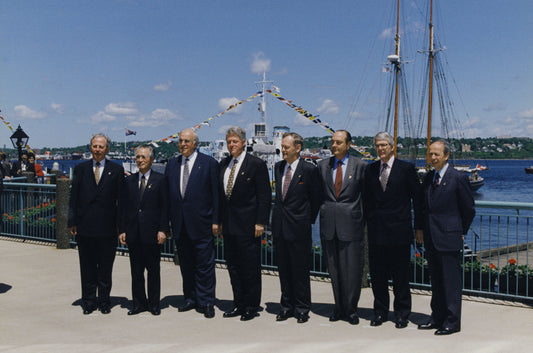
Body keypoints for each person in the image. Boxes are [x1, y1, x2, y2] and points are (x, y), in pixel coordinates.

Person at [363, 131, 423, 328]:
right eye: (377, 145)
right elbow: (366, 201)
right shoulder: (370, 170)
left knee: (400, 278)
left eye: (384, 145)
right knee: (378, 277)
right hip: (376, 232)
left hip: (399, 233)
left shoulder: (406, 169)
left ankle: (401, 314)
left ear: (392, 146)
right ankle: (380, 312)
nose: (380, 149)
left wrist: (419, 228)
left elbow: (419, 200)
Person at [417, 140, 475, 335]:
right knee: (436, 282)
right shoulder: (428, 178)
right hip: (432, 238)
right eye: (430, 154)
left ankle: (452, 321)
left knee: (451, 283)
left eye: (436, 154)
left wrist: (459, 231)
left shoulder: (458, 178)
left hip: (449, 238)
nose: (433, 158)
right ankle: (437, 317)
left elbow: (468, 209)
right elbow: (425, 209)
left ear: (446, 155)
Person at [165, 128, 220, 319]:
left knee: (205, 265)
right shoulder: (171, 165)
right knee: (186, 264)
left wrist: (216, 221)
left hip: (202, 223)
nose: (183, 144)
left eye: (187, 141)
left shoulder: (209, 164)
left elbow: (216, 196)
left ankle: (206, 301)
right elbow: (168, 198)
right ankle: (190, 298)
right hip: (180, 225)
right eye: (180, 141)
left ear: (195, 143)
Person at [68, 134, 125, 315]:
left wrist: (121, 227)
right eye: (95, 146)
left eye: (101, 147)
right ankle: (88, 302)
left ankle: (104, 301)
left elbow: (122, 201)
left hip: (108, 229)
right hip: (85, 227)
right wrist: (72, 221)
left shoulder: (116, 170)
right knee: (87, 267)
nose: (98, 150)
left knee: (105, 268)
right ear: (90, 148)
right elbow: (74, 198)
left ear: (107, 149)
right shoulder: (80, 169)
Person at [219, 127, 271, 321]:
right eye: (228, 141)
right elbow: (220, 197)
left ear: (243, 142)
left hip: (249, 225)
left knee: (250, 267)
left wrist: (260, 222)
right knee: (233, 267)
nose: (231, 145)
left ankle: (251, 305)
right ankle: (238, 304)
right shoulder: (223, 164)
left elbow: (264, 196)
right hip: (229, 225)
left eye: (234, 141)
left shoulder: (255, 165)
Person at [317, 130, 367, 325]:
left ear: (348, 145)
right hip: (329, 224)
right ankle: (338, 308)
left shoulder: (361, 166)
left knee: (352, 271)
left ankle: (351, 310)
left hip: (352, 224)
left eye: (338, 142)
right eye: (332, 142)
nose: (334, 146)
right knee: (334, 269)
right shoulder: (322, 166)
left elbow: (367, 197)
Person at [272, 132, 321, 323]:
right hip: (280, 226)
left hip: (299, 227)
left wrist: (306, 219)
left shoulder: (308, 170)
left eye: (286, 147)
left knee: (300, 271)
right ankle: (286, 306)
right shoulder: (278, 167)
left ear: (298, 148)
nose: (283, 150)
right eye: (282, 147)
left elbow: (316, 198)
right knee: (283, 270)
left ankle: (301, 308)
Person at [119, 145, 169, 316]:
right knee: (136, 272)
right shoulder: (128, 181)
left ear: (152, 159)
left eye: (143, 157)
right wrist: (122, 230)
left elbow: (165, 208)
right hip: (133, 233)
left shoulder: (161, 180)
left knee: (153, 271)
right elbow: (123, 208)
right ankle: (138, 303)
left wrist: (163, 230)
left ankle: (154, 304)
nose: (140, 160)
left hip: (152, 233)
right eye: (138, 157)